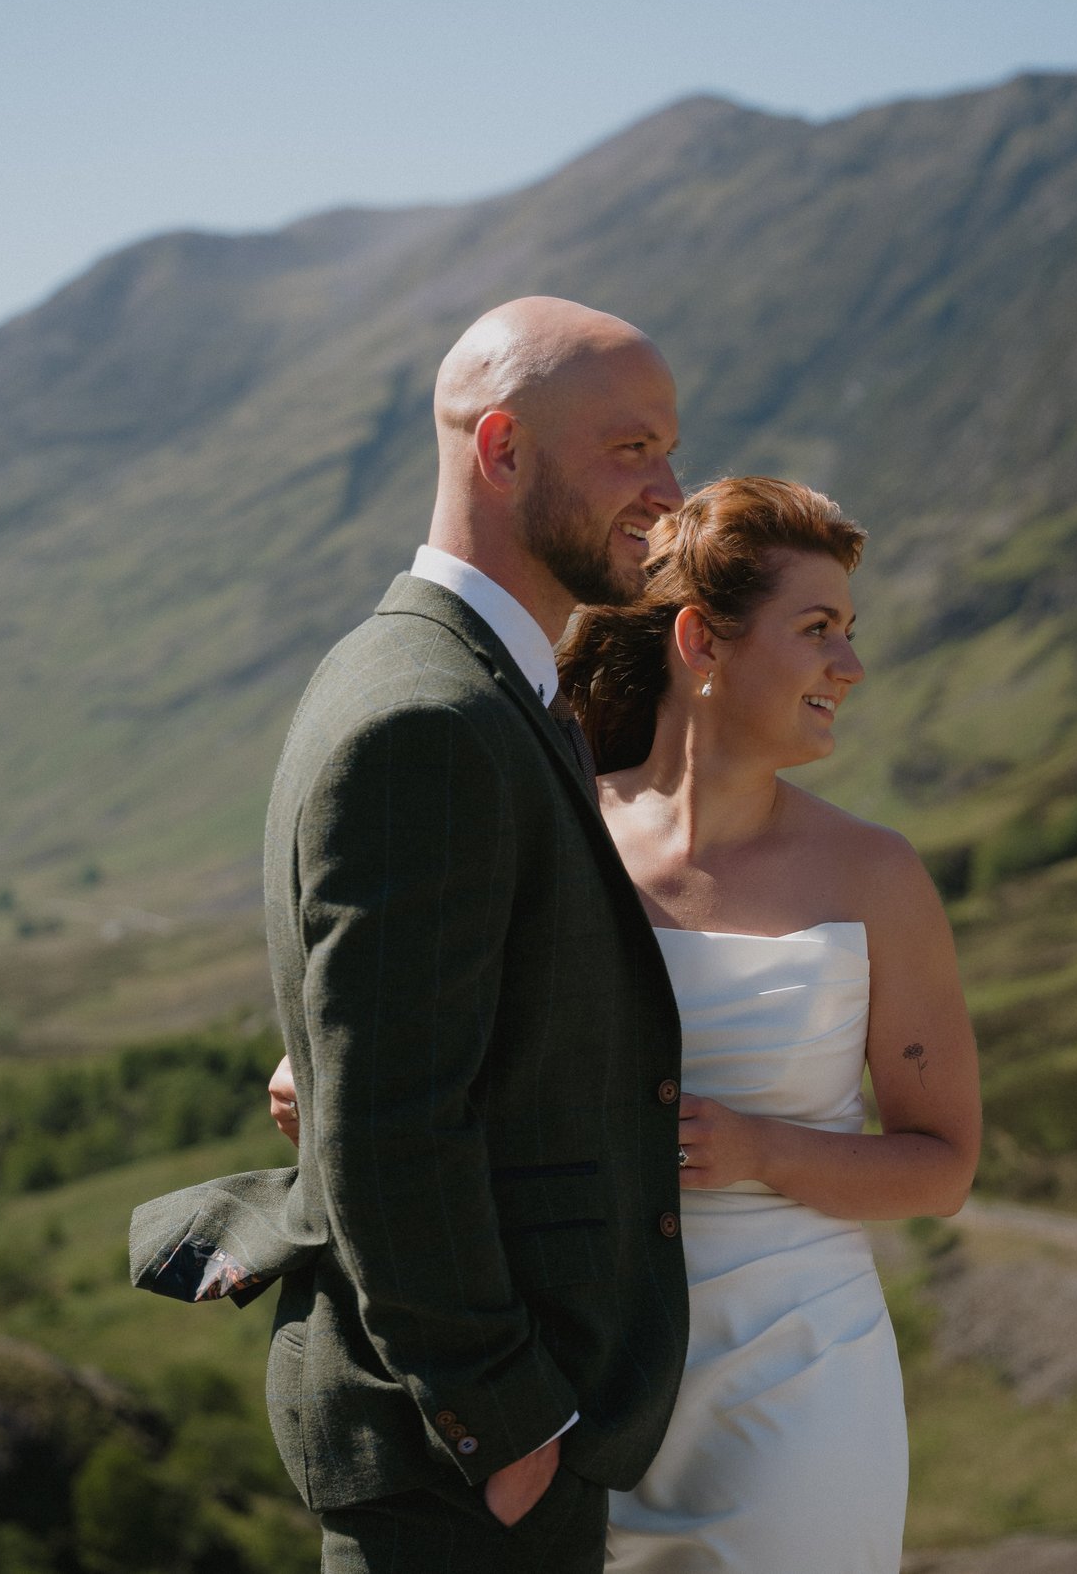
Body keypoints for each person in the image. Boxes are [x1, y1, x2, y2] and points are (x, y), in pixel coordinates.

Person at [261, 476, 981, 1571]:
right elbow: (419, 1029)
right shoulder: (556, 824)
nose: (851, 664)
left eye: (850, 630)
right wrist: (325, 1066)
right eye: (818, 628)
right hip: (578, 1377)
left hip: (796, 1390)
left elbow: (941, 1166)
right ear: (702, 639)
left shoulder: (877, 875)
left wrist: (757, 1150)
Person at [154, 295, 693, 1574]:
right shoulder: (426, 719)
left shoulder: (467, 681)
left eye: (670, 448)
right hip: (469, 1467)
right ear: (501, 450)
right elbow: (389, 1122)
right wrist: (504, 1421)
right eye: (632, 450)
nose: (672, 492)